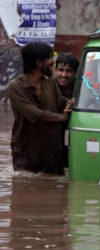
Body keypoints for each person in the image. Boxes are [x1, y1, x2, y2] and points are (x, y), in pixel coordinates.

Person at [8, 42, 73, 175]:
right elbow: (32, 113)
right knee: (24, 189)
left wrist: (76, 103)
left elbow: (61, 104)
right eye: (49, 58)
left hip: (51, 152)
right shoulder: (16, 86)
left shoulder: (50, 82)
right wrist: (60, 117)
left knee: (53, 190)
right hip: (25, 151)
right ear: (39, 62)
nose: (52, 62)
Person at [54, 53, 79, 168]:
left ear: (75, 73)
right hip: (53, 136)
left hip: (73, 136)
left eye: (68, 71)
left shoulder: (81, 89)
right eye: (61, 70)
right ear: (55, 70)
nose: (64, 75)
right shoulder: (48, 87)